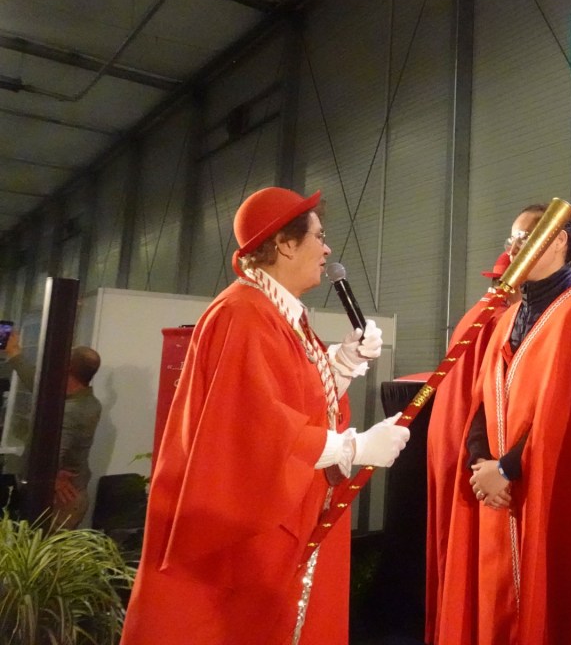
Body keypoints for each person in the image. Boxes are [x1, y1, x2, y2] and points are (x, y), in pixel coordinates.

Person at [121, 186, 410, 645]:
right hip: (250, 532)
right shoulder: (243, 313)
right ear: (285, 244)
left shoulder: (272, 311)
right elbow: (252, 426)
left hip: (279, 516)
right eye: (318, 236)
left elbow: (292, 398)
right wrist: (353, 447)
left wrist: (342, 362)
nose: (327, 249)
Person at [438, 205, 571, 645]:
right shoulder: (509, 317)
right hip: (498, 492)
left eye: (522, 240)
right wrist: (481, 463)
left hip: (548, 489)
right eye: (511, 241)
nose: (513, 250)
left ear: (558, 240)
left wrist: (508, 468)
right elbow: (484, 398)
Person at [425, 251, 516, 644]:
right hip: (471, 441)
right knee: (468, 547)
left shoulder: (476, 313)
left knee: (448, 542)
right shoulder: (501, 319)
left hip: (448, 437)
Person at [3, 332, 102, 529]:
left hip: (60, 500)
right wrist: (14, 353)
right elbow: (41, 386)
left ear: (67, 367)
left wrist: (52, 476)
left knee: (37, 547)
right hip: (58, 494)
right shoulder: (79, 398)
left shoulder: (72, 410)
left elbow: (50, 454)